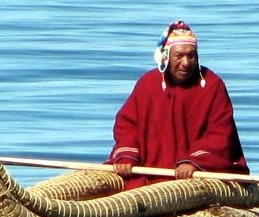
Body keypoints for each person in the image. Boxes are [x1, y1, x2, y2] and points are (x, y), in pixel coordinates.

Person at [106, 20, 249, 190]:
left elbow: (221, 133)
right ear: (166, 56)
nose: (186, 63)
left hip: (200, 171)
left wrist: (193, 162)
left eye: (191, 56)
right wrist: (126, 155)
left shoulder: (212, 84)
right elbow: (127, 123)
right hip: (151, 169)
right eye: (179, 56)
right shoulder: (149, 83)